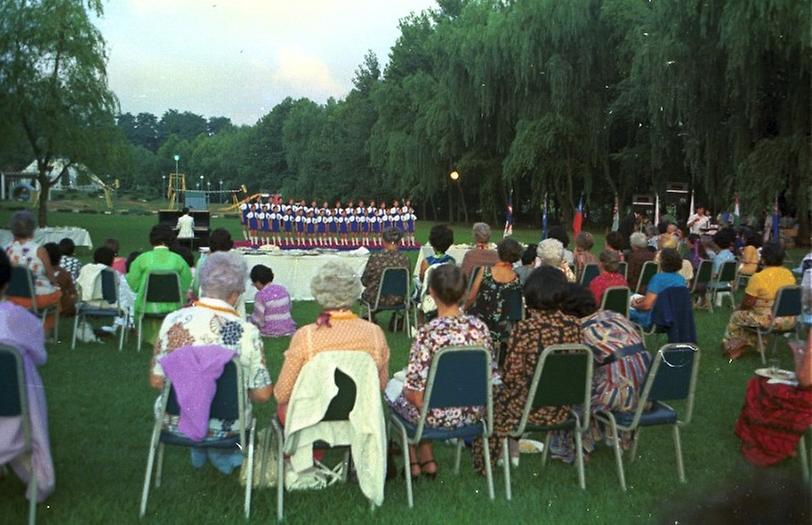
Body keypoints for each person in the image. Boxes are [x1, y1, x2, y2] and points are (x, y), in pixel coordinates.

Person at [150, 252, 273, 474]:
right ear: (235, 294)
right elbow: (262, 395)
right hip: (228, 427)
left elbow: (157, 380)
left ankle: (205, 451)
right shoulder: (247, 331)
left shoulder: (172, 320)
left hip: (173, 421)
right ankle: (226, 458)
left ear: (203, 284)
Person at [471, 267, 580, 474]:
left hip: (527, 410)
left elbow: (511, 376)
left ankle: (485, 462)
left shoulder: (525, 329)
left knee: (488, 394)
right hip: (563, 407)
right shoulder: (574, 325)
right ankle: (511, 452)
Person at [389, 264, 494, 478]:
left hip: (433, 416)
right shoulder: (480, 328)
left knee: (394, 392)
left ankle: (413, 461)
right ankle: (426, 459)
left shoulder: (428, 333)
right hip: (475, 414)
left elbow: (414, 393)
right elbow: (491, 377)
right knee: (410, 394)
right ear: (464, 292)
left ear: (432, 292)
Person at [548, 284, 651, 462]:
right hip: (647, 390)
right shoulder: (615, 315)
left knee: (565, 393)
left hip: (618, 396)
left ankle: (568, 448)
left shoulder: (579, 330)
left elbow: (569, 372)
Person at [275, 261, 390, 414]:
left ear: (319, 293)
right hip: (361, 419)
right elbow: (381, 385)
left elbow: (282, 394)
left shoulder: (306, 336)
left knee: (283, 408)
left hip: (312, 419)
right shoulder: (375, 333)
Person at [0, 250, 55, 502]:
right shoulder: (20, 319)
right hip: (12, 418)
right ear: (7, 281)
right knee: (24, 368)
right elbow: (40, 356)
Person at [722, 241, 797, 360]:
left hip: (769, 321)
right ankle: (748, 344)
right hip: (789, 320)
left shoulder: (758, 277)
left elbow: (747, 303)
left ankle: (732, 347)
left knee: (738, 315)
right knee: (751, 316)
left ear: (763, 258)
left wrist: (738, 307)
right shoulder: (789, 275)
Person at [126, 224, 192, 346]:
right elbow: (185, 285)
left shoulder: (142, 259)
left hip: (146, 307)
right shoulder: (178, 260)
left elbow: (133, 284)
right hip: (173, 308)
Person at [466, 238, 523, 360]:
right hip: (503, 329)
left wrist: (462, 309)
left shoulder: (485, 271)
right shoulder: (516, 278)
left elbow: (471, 297)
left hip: (481, 324)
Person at [4, 211, 61, 329]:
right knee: (57, 296)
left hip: (8, 297)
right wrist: (56, 284)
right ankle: (44, 333)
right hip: (34, 297)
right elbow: (50, 275)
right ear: (33, 229)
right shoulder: (39, 251)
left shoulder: (5, 250)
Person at [76, 246, 136, 330]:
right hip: (109, 305)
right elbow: (125, 295)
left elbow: (78, 287)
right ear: (112, 261)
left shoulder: (85, 270)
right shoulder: (114, 274)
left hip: (87, 304)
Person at [360, 228, 411, 320]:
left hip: (376, 297)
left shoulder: (376, 258)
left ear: (383, 240)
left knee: (369, 293)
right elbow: (407, 281)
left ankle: (370, 315)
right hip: (398, 299)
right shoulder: (405, 259)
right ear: (399, 241)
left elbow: (365, 280)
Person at [629, 248, 687, 328]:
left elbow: (647, 305)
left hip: (654, 320)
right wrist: (645, 298)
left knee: (622, 308)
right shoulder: (681, 279)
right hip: (673, 318)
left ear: (662, 262)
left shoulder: (658, 279)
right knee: (631, 295)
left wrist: (635, 305)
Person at [249, 264, 296, 337]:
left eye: (254, 283)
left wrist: (251, 320)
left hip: (269, 330)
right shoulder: (282, 289)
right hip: (288, 328)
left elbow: (258, 319)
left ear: (258, 282)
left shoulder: (260, 295)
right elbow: (289, 307)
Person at [42, 242, 77, 317]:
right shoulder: (64, 273)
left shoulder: (37, 273)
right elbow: (73, 294)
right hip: (64, 309)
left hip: (41, 307)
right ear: (60, 257)